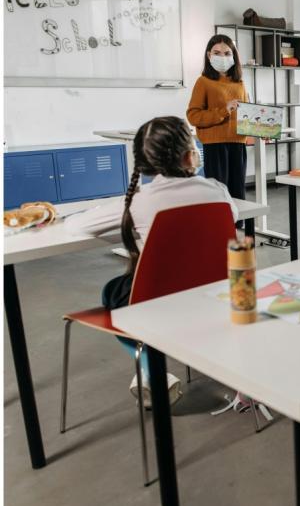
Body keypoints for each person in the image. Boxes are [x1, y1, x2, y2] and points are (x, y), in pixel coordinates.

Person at [65, 117, 238, 407]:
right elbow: (228, 219)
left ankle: (150, 370)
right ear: (190, 153)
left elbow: (76, 227)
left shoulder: (139, 202)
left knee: (113, 290)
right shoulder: (217, 190)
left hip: (157, 303)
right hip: (215, 296)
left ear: (145, 160)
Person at [186, 35, 249, 204]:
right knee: (219, 192)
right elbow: (193, 116)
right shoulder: (203, 82)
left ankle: (238, 228)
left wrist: (260, 130)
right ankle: (221, 228)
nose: (223, 57)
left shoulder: (240, 83)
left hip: (238, 143)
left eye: (227, 53)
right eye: (217, 53)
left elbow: (248, 114)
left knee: (238, 191)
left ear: (234, 55)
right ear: (209, 55)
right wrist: (223, 110)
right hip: (215, 145)